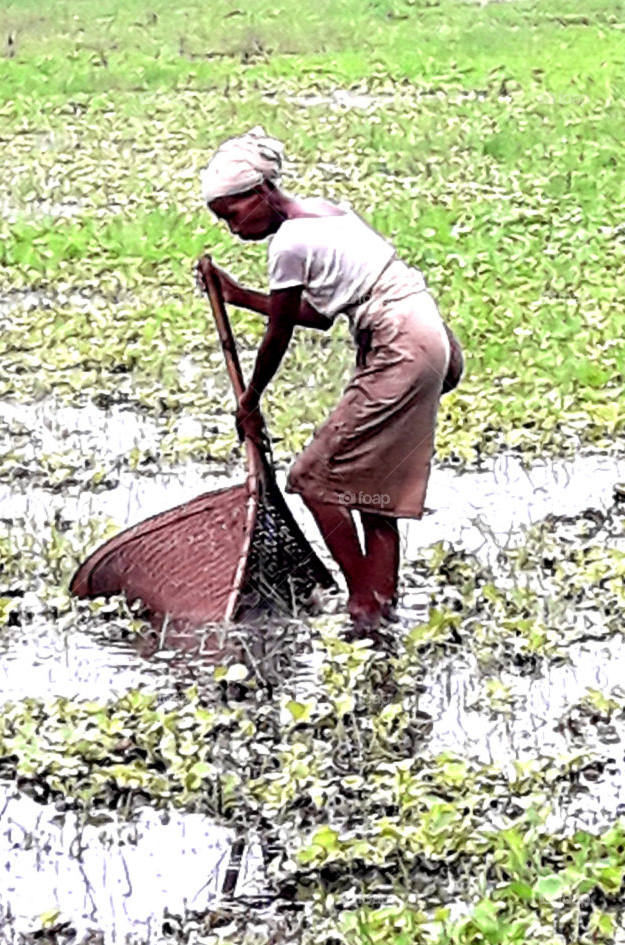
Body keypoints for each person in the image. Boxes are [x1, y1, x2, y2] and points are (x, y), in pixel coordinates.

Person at [198, 125, 463, 632]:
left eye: (233, 214)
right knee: (374, 492)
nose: (233, 229)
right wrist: (236, 295)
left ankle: (363, 603)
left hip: (398, 342)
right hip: (430, 335)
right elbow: (318, 315)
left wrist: (251, 401)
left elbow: (278, 337)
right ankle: (380, 608)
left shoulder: (289, 245)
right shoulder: (327, 214)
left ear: (261, 193)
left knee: (312, 479)